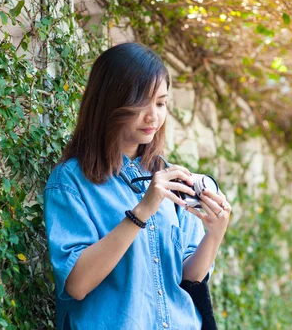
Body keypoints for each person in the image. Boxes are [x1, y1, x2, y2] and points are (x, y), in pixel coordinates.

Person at [44, 42, 231, 329]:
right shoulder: (71, 181)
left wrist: (216, 232)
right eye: (141, 102)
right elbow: (77, 284)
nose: (153, 116)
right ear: (109, 101)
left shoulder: (173, 179)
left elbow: (188, 278)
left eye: (160, 102)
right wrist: (142, 210)